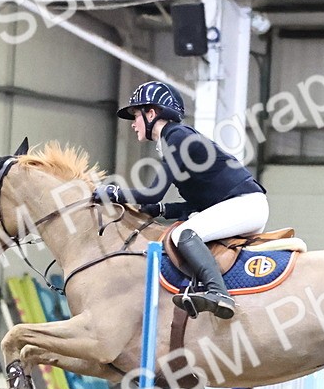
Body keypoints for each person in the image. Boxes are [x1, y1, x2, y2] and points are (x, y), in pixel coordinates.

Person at [94, 81, 268, 319]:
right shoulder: (175, 138)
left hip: (245, 205)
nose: (133, 124)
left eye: (136, 116)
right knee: (187, 230)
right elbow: (197, 203)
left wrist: (113, 193)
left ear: (152, 113)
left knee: (183, 235)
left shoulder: (175, 136)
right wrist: (162, 209)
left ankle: (219, 293)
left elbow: (152, 191)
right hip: (241, 205)